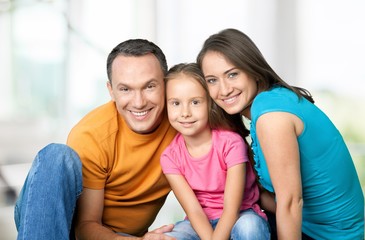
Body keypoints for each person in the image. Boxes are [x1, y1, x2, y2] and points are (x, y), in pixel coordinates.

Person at [196, 28, 365, 240]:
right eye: (212, 80)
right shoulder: (270, 101)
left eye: (232, 74)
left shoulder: (271, 115)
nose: (224, 89)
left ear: (253, 70)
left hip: (330, 235)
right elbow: (267, 197)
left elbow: (291, 202)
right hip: (307, 225)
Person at [14, 39, 178, 240]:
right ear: (111, 91)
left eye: (149, 86)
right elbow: (85, 227)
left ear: (166, 84)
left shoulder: (183, 122)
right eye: (125, 89)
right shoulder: (93, 134)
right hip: (61, 224)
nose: (139, 102)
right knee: (57, 155)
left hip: (125, 235)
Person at [160, 63, 270, 240]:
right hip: (198, 223)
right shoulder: (169, 157)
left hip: (240, 215)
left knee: (250, 227)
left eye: (195, 102)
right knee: (167, 237)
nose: (185, 113)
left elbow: (231, 209)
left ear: (209, 103)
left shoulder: (231, 143)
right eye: (176, 103)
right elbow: (194, 211)